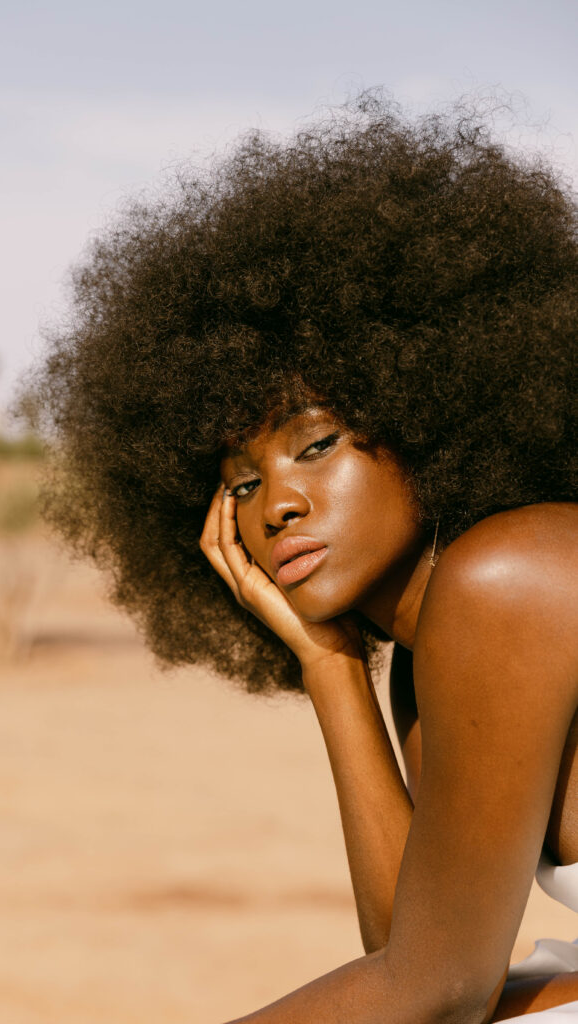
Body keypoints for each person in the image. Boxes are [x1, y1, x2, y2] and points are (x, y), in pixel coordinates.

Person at [30, 94, 577, 1022]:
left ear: (426, 414)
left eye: (314, 445)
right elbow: (424, 958)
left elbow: (433, 991)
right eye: (239, 484)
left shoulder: (510, 576)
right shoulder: (428, 654)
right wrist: (330, 664)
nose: (276, 503)